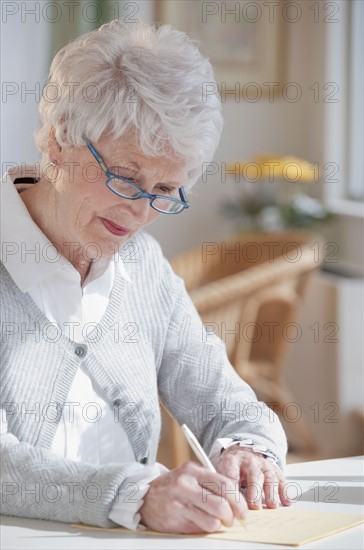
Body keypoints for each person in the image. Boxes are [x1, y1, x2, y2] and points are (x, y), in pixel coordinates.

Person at [0, 19, 291, 534]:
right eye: (125, 177)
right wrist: (134, 497)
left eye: (165, 189)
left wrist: (249, 448)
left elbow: (222, 396)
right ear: (56, 140)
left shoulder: (142, 264)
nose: (140, 211)